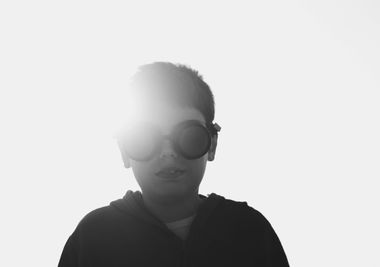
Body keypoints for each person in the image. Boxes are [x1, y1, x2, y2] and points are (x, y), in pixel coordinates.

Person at [58, 62, 290, 267]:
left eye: (189, 137)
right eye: (144, 138)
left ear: (212, 144)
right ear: (125, 150)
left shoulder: (248, 231)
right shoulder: (94, 237)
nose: (168, 153)